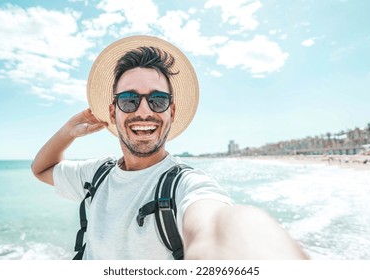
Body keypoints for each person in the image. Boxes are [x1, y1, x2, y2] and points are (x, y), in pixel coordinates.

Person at [31, 35, 308, 260]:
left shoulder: (185, 185)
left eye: (158, 100)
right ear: (112, 111)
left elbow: (216, 226)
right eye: (129, 100)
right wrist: (68, 131)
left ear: (171, 112)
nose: (143, 111)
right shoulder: (97, 174)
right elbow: (40, 168)